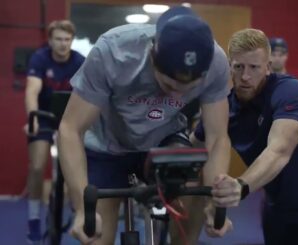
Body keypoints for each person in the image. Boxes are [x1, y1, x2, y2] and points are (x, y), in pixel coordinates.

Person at [57, 6, 232, 245]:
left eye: (188, 90)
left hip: (164, 142)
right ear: (152, 57)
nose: (177, 94)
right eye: (169, 87)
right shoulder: (112, 52)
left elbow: (217, 137)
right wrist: (81, 209)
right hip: (107, 146)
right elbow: (70, 129)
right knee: (94, 235)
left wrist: (214, 201)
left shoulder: (216, 62)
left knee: (192, 213)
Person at [192, 28, 298, 245]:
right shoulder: (225, 106)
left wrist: (240, 185)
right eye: (239, 67)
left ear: (267, 68)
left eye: (254, 67)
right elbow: (196, 147)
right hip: (277, 205)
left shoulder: (288, 91)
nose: (245, 76)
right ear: (229, 66)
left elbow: (279, 151)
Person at [24, 20, 85, 243]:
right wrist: (33, 119)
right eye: (58, 39)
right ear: (50, 41)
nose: (62, 44)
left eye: (67, 39)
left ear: (71, 40)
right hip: (44, 119)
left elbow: (87, 94)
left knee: (71, 172)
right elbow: (32, 91)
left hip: (69, 121)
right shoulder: (40, 58)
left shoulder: (80, 61)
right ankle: (33, 219)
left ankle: (65, 209)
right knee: (38, 166)